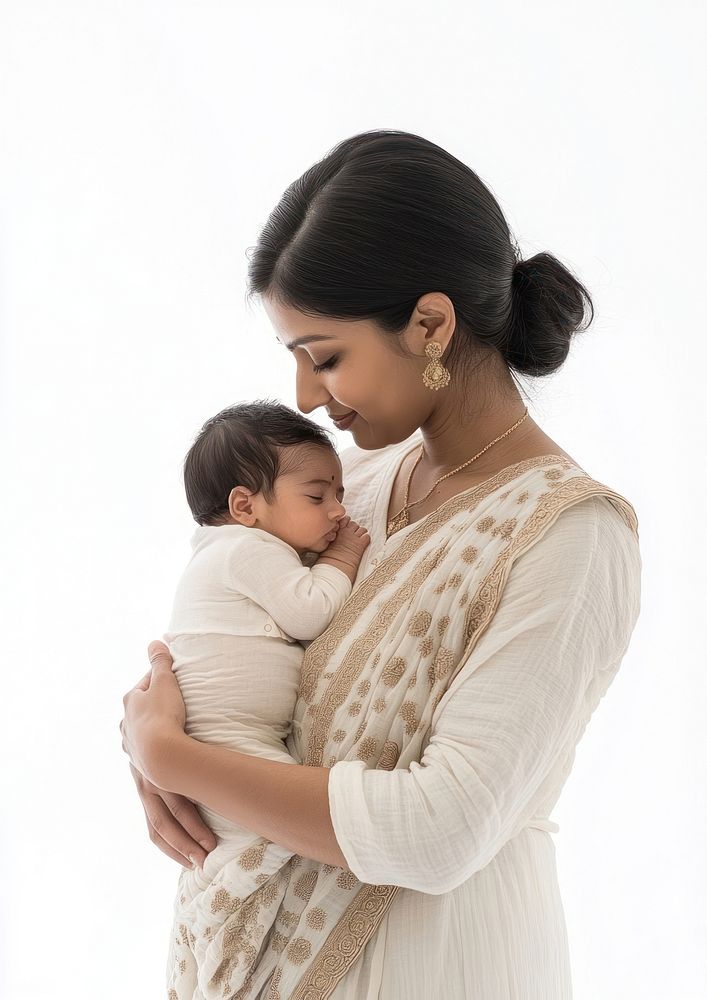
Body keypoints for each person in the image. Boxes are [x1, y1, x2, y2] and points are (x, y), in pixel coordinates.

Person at [120, 129, 642, 999]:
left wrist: (178, 762)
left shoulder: (571, 537)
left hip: (441, 964)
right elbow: (228, 628)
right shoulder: (347, 485)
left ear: (430, 325)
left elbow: (439, 829)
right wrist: (147, 741)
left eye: (324, 357)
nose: (305, 399)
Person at [162, 399, 370, 997]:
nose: (338, 510)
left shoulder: (231, 552)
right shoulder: (246, 549)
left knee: (246, 844)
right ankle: (231, 968)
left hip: (222, 731)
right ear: (244, 505)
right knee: (264, 839)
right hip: (222, 732)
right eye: (317, 496)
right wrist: (343, 558)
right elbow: (309, 612)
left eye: (338, 493)